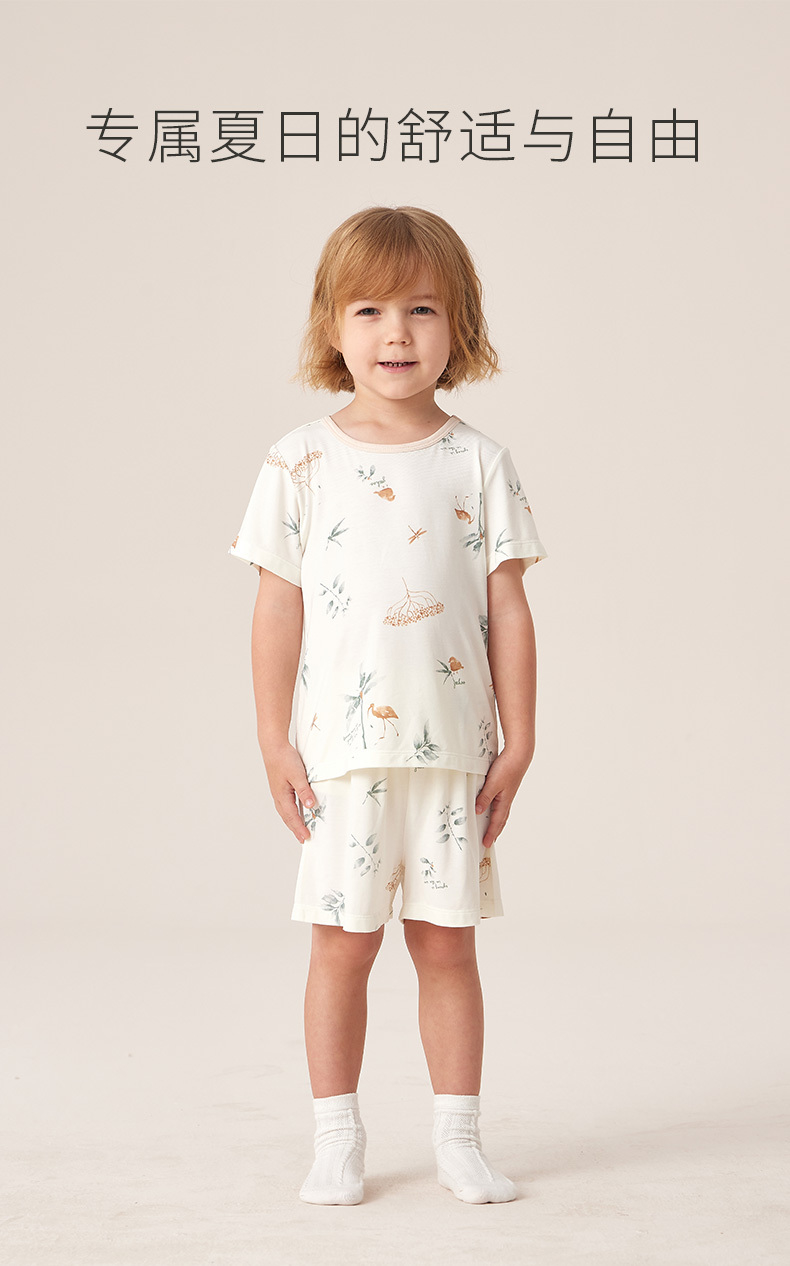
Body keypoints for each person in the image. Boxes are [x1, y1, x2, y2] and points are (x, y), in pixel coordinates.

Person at [228, 205, 548, 1206]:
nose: (395, 332)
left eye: (421, 308)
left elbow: (507, 607)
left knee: (447, 946)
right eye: (368, 310)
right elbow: (276, 607)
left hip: (453, 753)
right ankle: (337, 1138)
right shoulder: (299, 460)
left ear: (460, 325)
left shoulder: (477, 462)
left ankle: (459, 1138)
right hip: (342, 759)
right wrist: (273, 738)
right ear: (332, 325)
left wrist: (520, 740)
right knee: (342, 947)